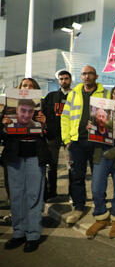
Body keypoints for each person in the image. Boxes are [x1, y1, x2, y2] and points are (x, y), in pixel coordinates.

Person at [2, 78, 49, 253]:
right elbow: (2, 132)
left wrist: (44, 123)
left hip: (35, 155)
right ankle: (18, 233)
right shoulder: (9, 107)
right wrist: (4, 125)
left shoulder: (41, 107)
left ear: (35, 89)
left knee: (33, 195)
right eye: (24, 86)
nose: (27, 88)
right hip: (15, 155)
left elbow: (51, 132)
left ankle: (33, 235)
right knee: (16, 195)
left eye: (30, 86)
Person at [61, 66, 111, 224]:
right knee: (77, 176)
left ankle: (100, 207)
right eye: (84, 73)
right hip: (77, 142)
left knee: (99, 177)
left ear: (96, 76)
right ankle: (78, 208)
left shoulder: (105, 93)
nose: (87, 76)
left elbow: (111, 119)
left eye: (90, 73)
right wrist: (67, 140)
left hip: (98, 143)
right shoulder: (73, 93)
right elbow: (65, 117)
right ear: (80, 76)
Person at [85, 85, 115, 240]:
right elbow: (96, 133)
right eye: (114, 94)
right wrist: (91, 129)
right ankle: (101, 217)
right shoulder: (102, 111)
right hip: (102, 153)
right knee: (97, 188)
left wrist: (114, 152)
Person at [42, 70, 72, 201]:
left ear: (70, 80)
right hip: (53, 135)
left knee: (72, 166)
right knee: (52, 165)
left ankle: (73, 194)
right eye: (61, 79)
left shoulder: (75, 95)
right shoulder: (51, 96)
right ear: (58, 81)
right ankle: (51, 192)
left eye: (66, 78)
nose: (63, 81)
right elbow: (43, 113)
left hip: (70, 136)